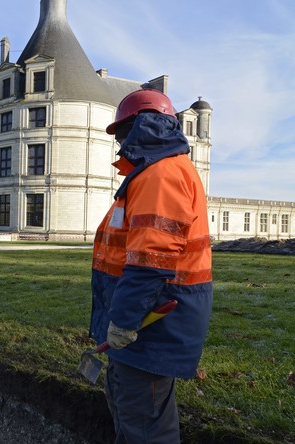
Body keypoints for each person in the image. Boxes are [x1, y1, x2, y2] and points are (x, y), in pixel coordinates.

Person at [89, 88, 213, 443]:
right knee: (134, 412)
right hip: (145, 319)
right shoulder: (152, 173)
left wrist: (125, 321)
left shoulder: (159, 175)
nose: (120, 144)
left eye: (123, 134)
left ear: (143, 125)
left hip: (151, 323)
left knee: (145, 425)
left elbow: (150, 260)